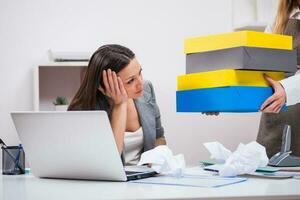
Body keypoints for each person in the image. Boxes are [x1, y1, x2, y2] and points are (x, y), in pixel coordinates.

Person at [68, 44, 166, 165]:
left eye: (140, 73)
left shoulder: (146, 89)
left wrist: (156, 161)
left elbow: (159, 137)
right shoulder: (83, 110)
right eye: (130, 81)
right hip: (108, 181)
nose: (140, 84)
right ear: (104, 84)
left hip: (145, 179)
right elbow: (109, 162)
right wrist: (120, 104)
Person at [257, 0, 300, 158]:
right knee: (271, 177)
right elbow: (257, 66)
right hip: (276, 116)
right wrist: (222, 96)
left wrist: (287, 89)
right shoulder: (279, 19)